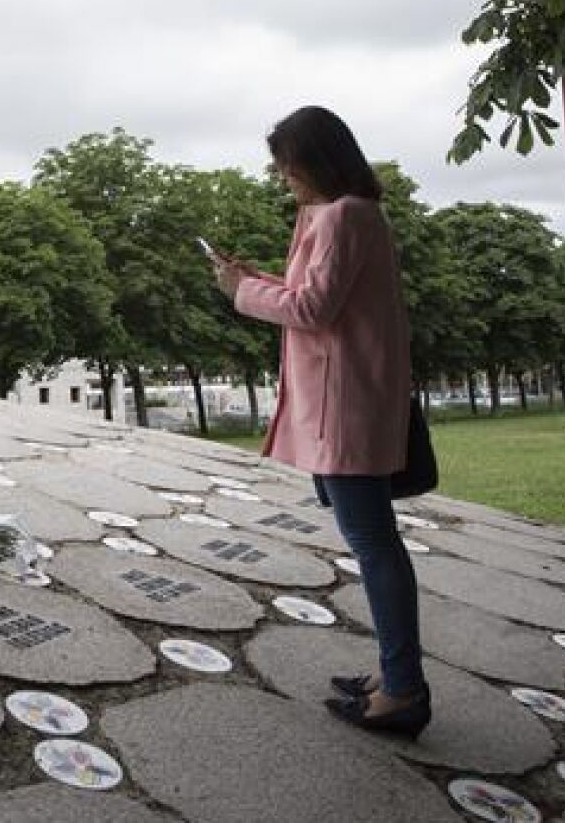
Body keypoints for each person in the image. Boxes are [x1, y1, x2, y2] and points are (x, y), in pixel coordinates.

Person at [212, 104, 430, 737]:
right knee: (372, 540)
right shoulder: (347, 214)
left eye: (289, 167)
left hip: (347, 405)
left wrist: (239, 293)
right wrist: (257, 278)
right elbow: (317, 292)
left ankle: (403, 689)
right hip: (347, 399)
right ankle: (396, 673)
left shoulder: (343, 216)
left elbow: (312, 308)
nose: (285, 179)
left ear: (317, 162)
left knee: (373, 542)